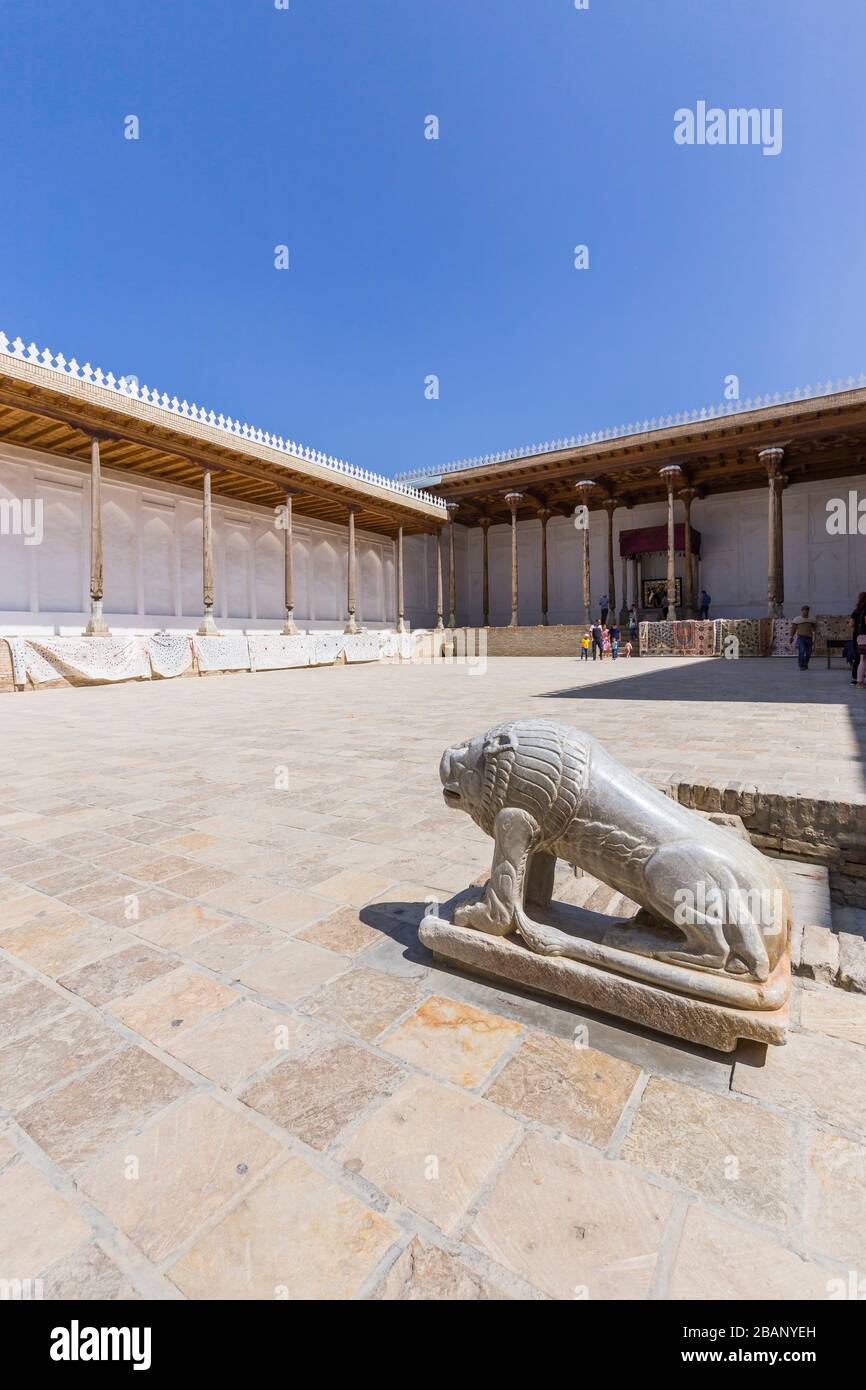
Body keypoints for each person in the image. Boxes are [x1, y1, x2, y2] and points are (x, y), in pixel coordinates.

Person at [790, 605, 819, 670]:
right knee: (802, 651)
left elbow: (815, 628)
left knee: (809, 653)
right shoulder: (797, 619)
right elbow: (793, 629)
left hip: (809, 638)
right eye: (804, 611)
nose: (805, 612)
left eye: (807, 611)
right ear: (801, 611)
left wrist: (816, 634)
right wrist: (791, 637)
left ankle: (805, 663)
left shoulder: (812, 619)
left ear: (808, 611)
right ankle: (801, 666)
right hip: (801, 638)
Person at [850, 593, 866, 685]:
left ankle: (855, 678)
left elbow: (851, 624)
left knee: (858, 658)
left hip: (857, 636)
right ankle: (860, 679)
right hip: (864, 636)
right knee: (863, 659)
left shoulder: (856, 611)